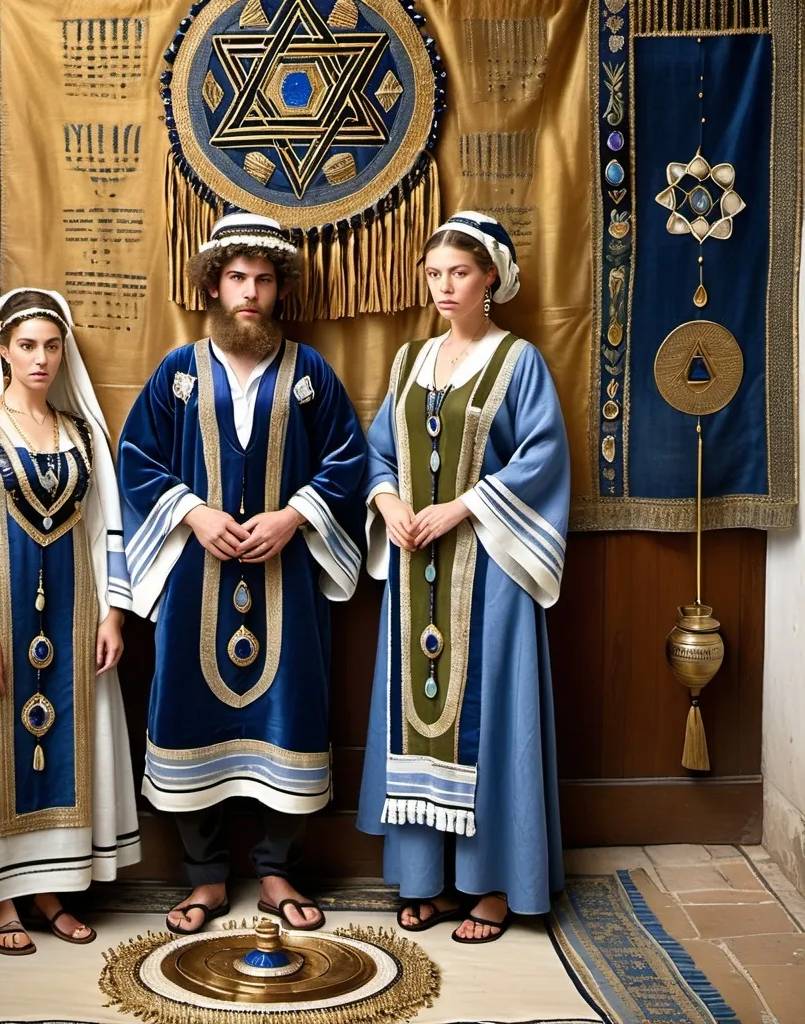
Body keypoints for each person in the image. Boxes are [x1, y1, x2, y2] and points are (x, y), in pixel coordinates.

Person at [118, 213, 366, 935]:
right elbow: (138, 457)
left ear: (280, 289)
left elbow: (346, 460)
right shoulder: (178, 373)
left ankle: (278, 871)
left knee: (290, 714)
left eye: (262, 280)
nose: (249, 294)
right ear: (213, 286)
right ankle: (205, 879)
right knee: (190, 711)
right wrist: (193, 514)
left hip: (288, 580)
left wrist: (294, 517)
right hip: (197, 578)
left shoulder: (312, 374)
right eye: (236, 279)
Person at [357, 212, 570, 944]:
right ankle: (423, 882)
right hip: (416, 568)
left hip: (493, 570)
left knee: (493, 715)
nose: (444, 287)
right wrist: (388, 503)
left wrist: (460, 509)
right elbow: (379, 451)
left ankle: (493, 886)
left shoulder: (520, 363)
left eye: (460, 273)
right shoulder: (411, 361)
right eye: (435, 273)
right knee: (418, 719)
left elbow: (540, 459)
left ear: (491, 280)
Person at [0, 288, 140, 955]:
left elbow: (110, 528)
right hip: (2, 623)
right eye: (26, 345)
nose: (40, 358)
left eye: (50, 345)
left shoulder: (81, 433)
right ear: (3, 350)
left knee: (70, 747)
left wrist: (115, 616)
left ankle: (50, 890)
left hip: (75, 623)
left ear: (63, 348)